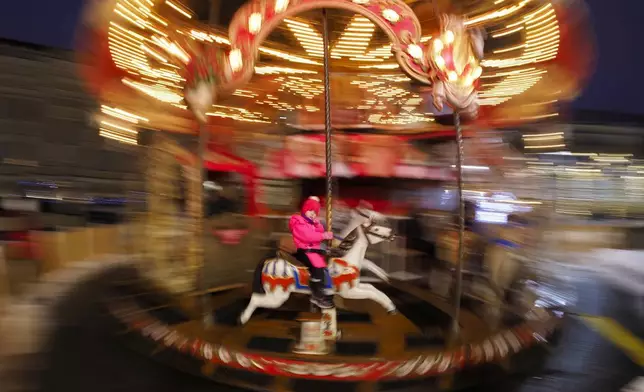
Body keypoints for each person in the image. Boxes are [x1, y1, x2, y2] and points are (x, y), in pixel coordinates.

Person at [289, 196, 334, 309]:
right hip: (303, 250)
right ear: (304, 209)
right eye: (310, 211)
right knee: (317, 269)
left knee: (325, 266)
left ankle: (323, 291)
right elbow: (308, 236)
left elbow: (320, 232)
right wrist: (324, 236)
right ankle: (316, 296)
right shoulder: (298, 222)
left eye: (315, 212)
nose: (313, 214)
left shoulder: (311, 223)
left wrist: (318, 225)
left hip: (313, 251)